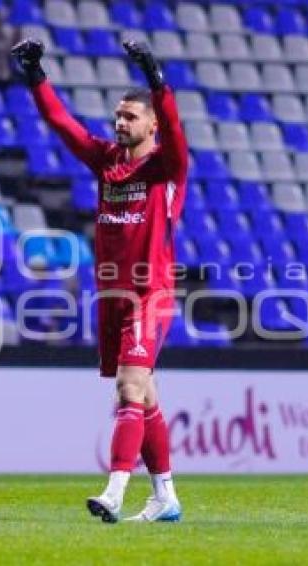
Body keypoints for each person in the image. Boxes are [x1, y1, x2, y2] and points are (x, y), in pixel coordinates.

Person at [12, 38, 188, 523]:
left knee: (130, 389)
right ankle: (165, 496)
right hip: (112, 294)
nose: (120, 123)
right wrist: (35, 75)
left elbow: (174, 125)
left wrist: (155, 75)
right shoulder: (108, 161)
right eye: (117, 115)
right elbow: (61, 124)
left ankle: (114, 492)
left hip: (152, 293)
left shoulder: (167, 166)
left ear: (151, 123)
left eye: (131, 116)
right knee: (144, 394)